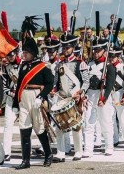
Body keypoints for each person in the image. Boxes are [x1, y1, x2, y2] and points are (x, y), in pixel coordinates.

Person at [12, 26, 54, 169]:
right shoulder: (22, 66)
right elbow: (19, 86)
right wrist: (15, 105)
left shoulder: (43, 66)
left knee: (40, 128)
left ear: (32, 53)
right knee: (24, 129)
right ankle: (26, 160)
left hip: (36, 98)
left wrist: (41, 97)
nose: (23, 54)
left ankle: (48, 154)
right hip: (24, 99)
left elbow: (49, 84)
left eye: (26, 52)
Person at [50, 33, 89, 162]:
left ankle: (78, 151)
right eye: (64, 47)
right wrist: (53, 90)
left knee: (76, 126)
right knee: (59, 126)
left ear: (73, 47)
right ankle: (60, 153)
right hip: (61, 97)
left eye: (68, 47)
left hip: (75, 97)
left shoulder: (80, 63)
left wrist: (80, 93)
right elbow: (56, 82)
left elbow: (86, 82)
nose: (66, 50)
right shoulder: (59, 64)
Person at [83, 38, 116, 158]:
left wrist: (104, 98)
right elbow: (85, 82)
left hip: (102, 96)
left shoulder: (109, 66)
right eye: (94, 50)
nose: (96, 53)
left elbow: (110, 84)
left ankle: (109, 146)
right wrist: (84, 96)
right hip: (90, 95)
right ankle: (88, 149)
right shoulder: (89, 65)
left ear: (104, 51)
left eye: (98, 50)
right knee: (89, 123)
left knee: (105, 122)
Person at [108, 46, 124, 151]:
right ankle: (115, 139)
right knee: (111, 119)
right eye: (110, 56)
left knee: (122, 120)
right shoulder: (108, 68)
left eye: (113, 56)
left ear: (118, 56)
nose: (111, 58)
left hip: (120, 94)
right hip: (110, 95)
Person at [2, 48, 21, 161]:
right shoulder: (6, 68)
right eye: (8, 56)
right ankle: (6, 152)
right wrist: (11, 93)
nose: (10, 57)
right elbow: (4, 86)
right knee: (8, 124)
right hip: (12, 99)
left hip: (24, 99)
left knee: (29, 125)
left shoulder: (24, 65)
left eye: (11, 55)